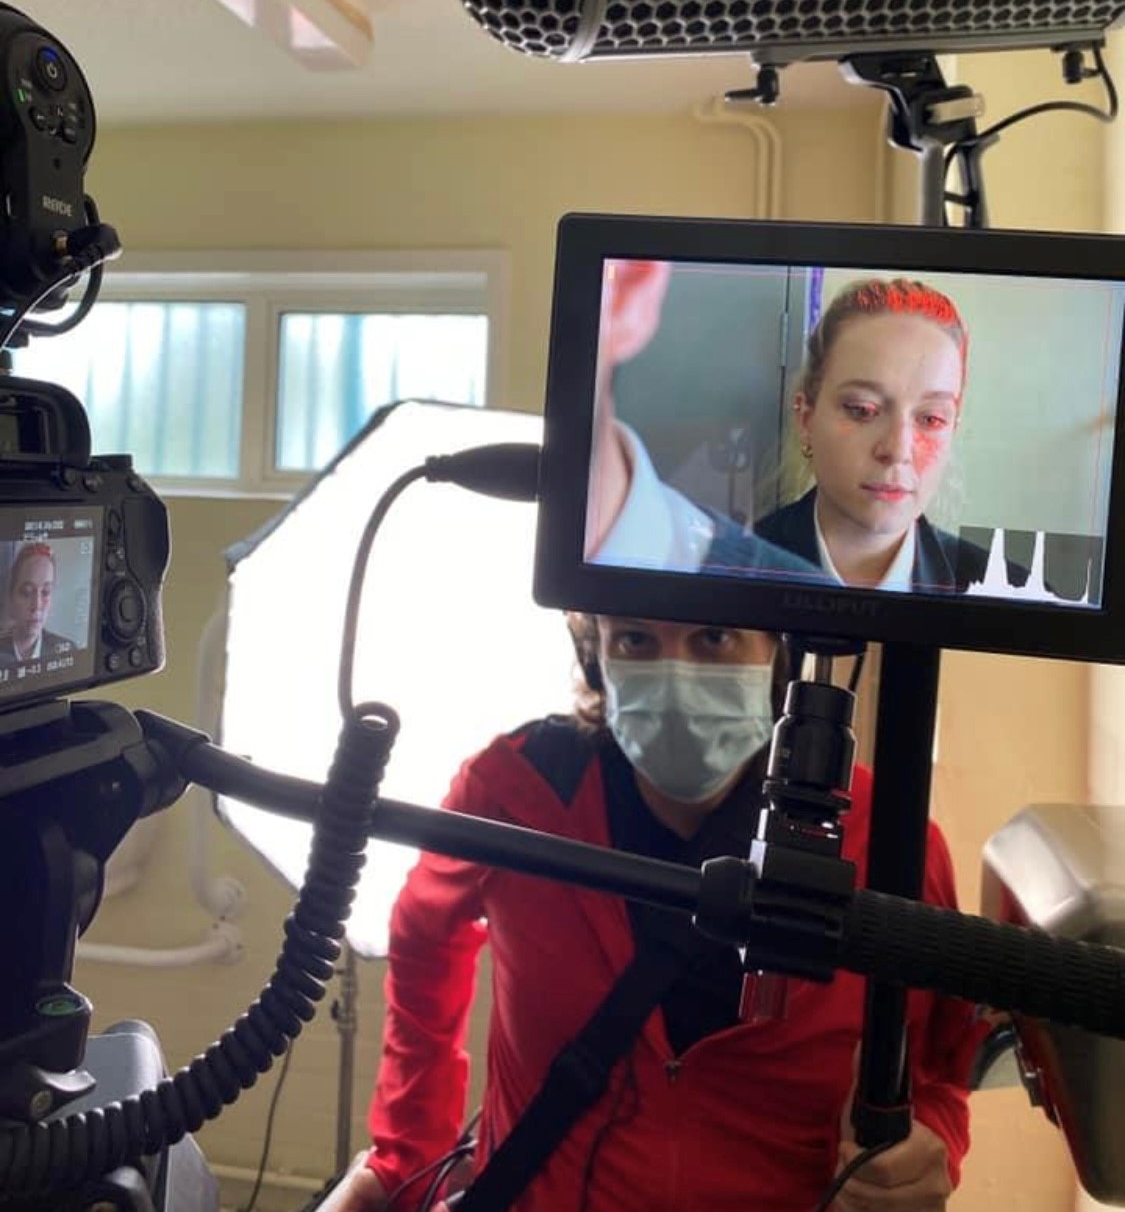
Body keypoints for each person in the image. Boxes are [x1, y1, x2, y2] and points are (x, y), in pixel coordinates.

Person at [322, 614, 983, 1212]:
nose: (677, 673)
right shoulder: (516, 791)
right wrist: (406, 1152)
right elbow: (422, 931)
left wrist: (930, 1146)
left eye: (714, 636)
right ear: (595, 653)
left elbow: (942, 1058)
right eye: (636, 638)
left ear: (775, 652)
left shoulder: (887, 841)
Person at [586, 258, 824, 582]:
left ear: (630, 293)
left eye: (922, 418)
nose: (895, 448)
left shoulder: (785, 596)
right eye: (860, 409)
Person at [756, 277, 997, 593]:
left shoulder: (1009, 600)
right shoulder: (721, 571)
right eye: (862, 410)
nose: (897, 449)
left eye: (931, 419)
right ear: (806, 417)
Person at [0, 542, 75, 666]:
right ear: (11, 595)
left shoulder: (68, 651)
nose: (37, 605)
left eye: (45, 592)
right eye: (27, 592)